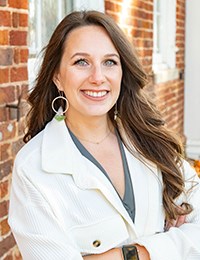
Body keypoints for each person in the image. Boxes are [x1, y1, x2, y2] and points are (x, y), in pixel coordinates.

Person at [8, 10, 200, 260]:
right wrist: (172, 244)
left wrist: (135, 253)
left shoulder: (151, 141)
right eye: (81, 62)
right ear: (57, 76)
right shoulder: (34, 168)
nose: (98, 77)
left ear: (122, 72)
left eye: (110, 62)